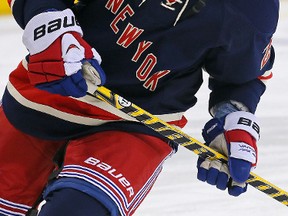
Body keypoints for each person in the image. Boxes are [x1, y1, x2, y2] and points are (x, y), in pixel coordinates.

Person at [0, 0, 279, 215]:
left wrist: (233, 119)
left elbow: (243, 76)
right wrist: (48, 27)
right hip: (52, 89)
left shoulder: (252, 7)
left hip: (137, 124)